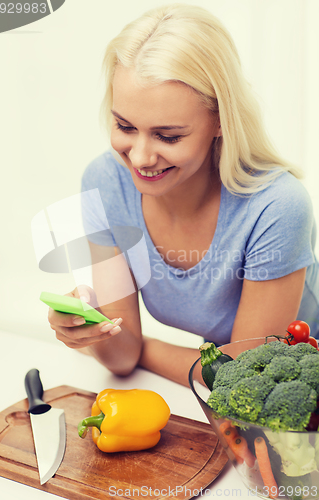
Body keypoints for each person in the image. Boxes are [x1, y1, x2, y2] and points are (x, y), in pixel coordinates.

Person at [48, 4, 319, 387]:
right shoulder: (106, 182)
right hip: (225, 394)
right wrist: (91, 329)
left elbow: (247, 377)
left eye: (168, 136)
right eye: (125, 126)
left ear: (221, 120)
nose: (140, 158)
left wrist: (143, 346)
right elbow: (122, 357)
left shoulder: (277, 207)